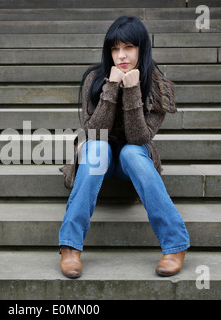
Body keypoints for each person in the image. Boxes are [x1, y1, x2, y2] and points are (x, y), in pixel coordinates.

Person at [58, 16, 190, 279]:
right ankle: (70, 247)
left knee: (130, 151)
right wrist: (111, 88)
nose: (121, 56)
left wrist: (131, 91)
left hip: (135, 159)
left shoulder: (157, 87)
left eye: (128, 47)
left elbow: (139, 137)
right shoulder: (95, 79)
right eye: (115, 49)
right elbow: (94, 132)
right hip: (99, 158)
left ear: (142, 48)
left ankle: (175, 245)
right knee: (96, 150)